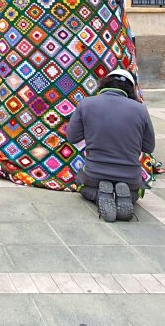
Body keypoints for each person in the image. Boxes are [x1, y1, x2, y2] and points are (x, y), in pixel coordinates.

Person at [66, 67, 156, 223]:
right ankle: (127, 195)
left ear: (103, 84)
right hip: (130, 177)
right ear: (130, 90)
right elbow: (149, 147)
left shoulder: (86, 104)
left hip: (94, 174)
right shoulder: (141, 110)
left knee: (81, 182)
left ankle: (100, 194)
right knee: (137, 189)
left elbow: (72, 137)